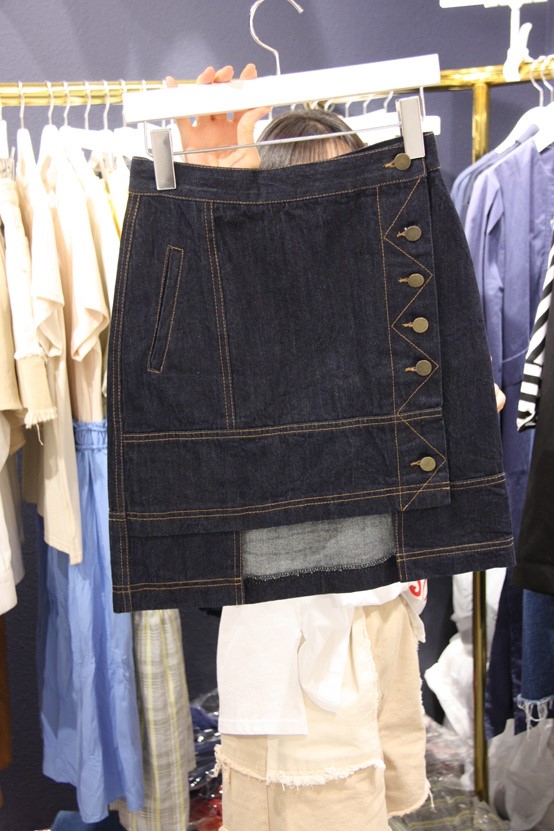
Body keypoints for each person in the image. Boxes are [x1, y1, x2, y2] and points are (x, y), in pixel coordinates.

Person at [168, 65, 506, 831]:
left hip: (378, 618)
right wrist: (221, 181)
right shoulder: (242, 329)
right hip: (293, 642)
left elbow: (469, 415)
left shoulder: (390, 314)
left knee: (369, 802)